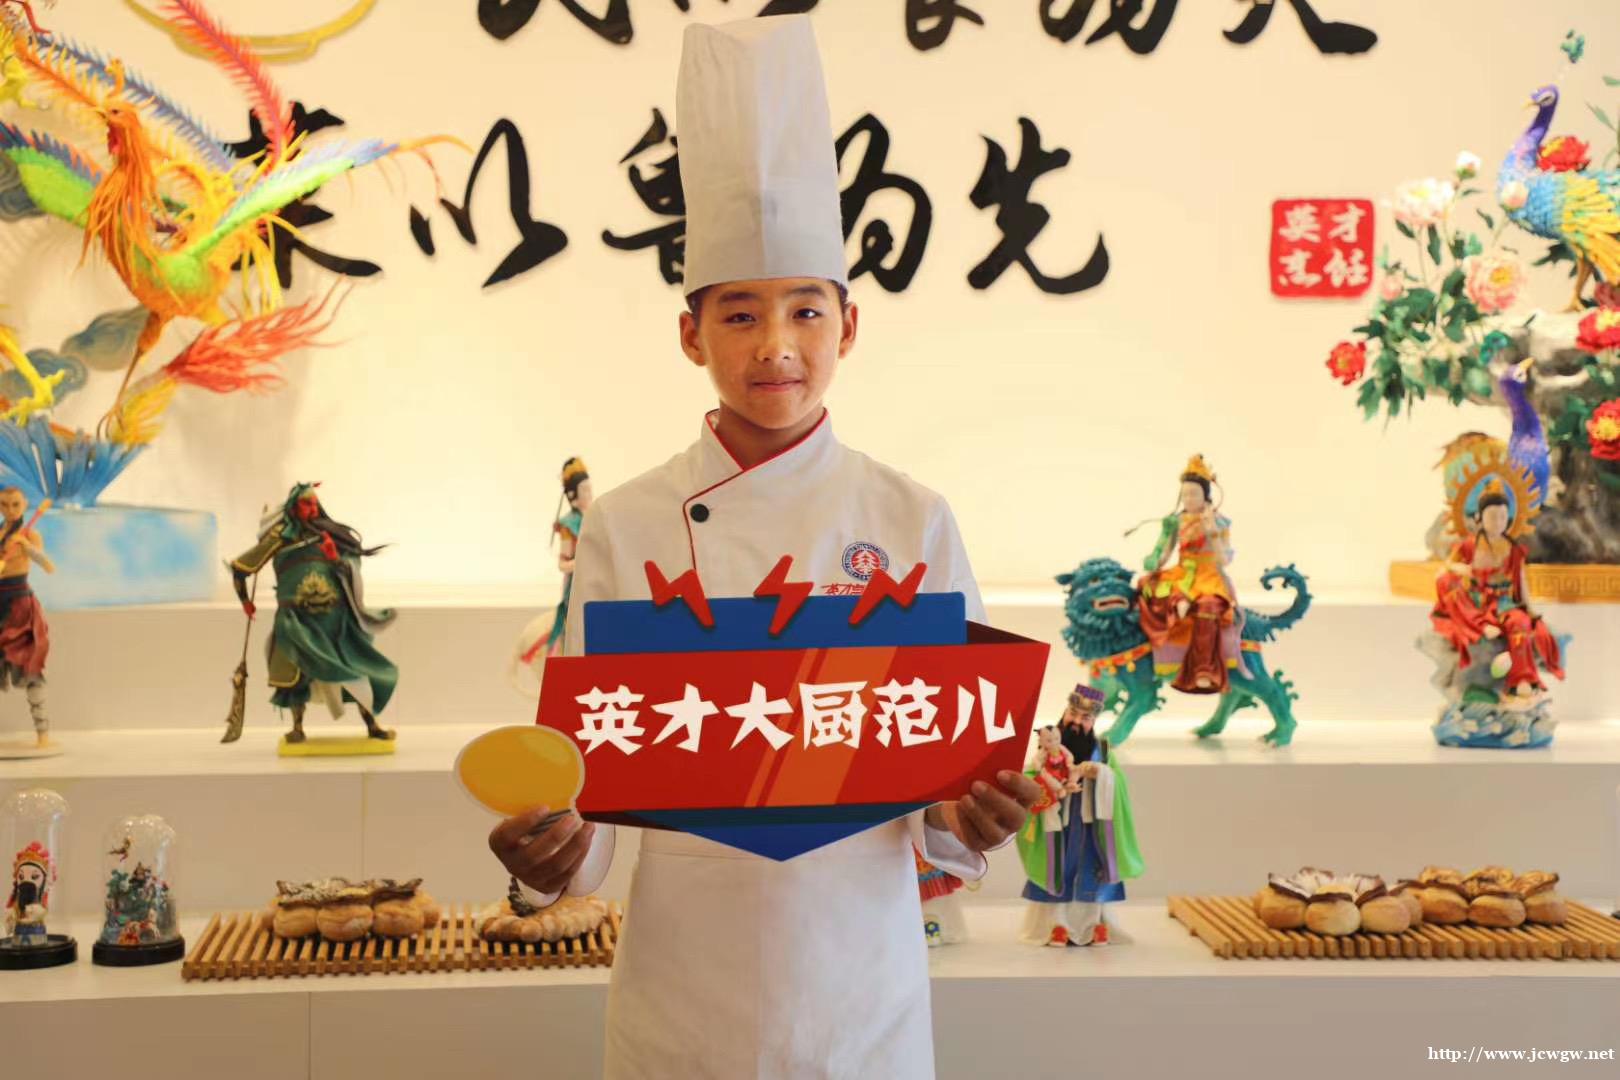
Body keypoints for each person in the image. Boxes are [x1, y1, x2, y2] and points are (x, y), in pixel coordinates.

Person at [486, 17, 1039, 1079]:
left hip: (861, 995)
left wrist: (976, 814)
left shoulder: (913, 519)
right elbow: (590, 809)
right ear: (690, 334)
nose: (776, 346)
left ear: (849, 326)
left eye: (805, 313)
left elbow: (946, 803)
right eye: (739, 316)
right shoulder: (625, 525)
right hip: (680, 1000)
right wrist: (543, 854)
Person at [230, 483, 398, 744]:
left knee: (355, 669)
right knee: (295, 674)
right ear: (294, 507)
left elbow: (349, 569)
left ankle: (372, 725)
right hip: (296, 621)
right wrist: (245, 602)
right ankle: (297, 728)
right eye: (305, 504)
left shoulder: (331, 535)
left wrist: (334, 557)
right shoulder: (281, 537)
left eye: (314, 504)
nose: (311, 508)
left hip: (334, 622)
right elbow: (240, 569)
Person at [1016, 684, 1141, 946]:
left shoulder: (1103, 750)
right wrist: (1053, 787)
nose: (1076, 722)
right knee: (1060, 870)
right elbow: (1030, 780)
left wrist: (1100, 774)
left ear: (1093, 721)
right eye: (1072, 714)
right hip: (1058, 825)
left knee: (1091, 872)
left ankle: (1096, 923)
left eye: (1085, 718)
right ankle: (1056, 923)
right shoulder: (1047, 752)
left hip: (1092, 827)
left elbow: (1119, 785)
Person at [1431, 481, 1562, 696]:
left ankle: (1521, 679)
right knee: (1447, 582)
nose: (1498, 522)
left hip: (1503, 602)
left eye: (1502, 516)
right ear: (1479, 518)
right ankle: (1479, 625)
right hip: (1476, 601)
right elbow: (1446, 568)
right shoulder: (1469, 545)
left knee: (1520, 623)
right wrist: (1463, 569)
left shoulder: (1513, 548)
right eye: (1492, 516)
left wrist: (1530, 609)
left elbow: (1521, 580)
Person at [1138, 454, 1239, 693]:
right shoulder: (1176, 521)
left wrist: (1212, 531)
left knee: (1207, 606)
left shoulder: (1218, 522)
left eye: (1194, 494)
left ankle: (1203, 668)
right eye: (1185, 495)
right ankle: (1151, 647)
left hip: (1208, 576)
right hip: (1182, 573)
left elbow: (1224, 560)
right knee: (1146, 586)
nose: (1189, 499)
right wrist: (1154, 560)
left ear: (1206, 495)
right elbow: (1164, 552)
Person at [0, 486, 52, 749]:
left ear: (24, 505)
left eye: (15, 505)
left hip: (20, 604)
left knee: (30, 666)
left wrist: (26, 547)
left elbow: (47, 565)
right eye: (4, 505)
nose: (10, 510)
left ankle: (43, 734)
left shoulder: (29, 534)